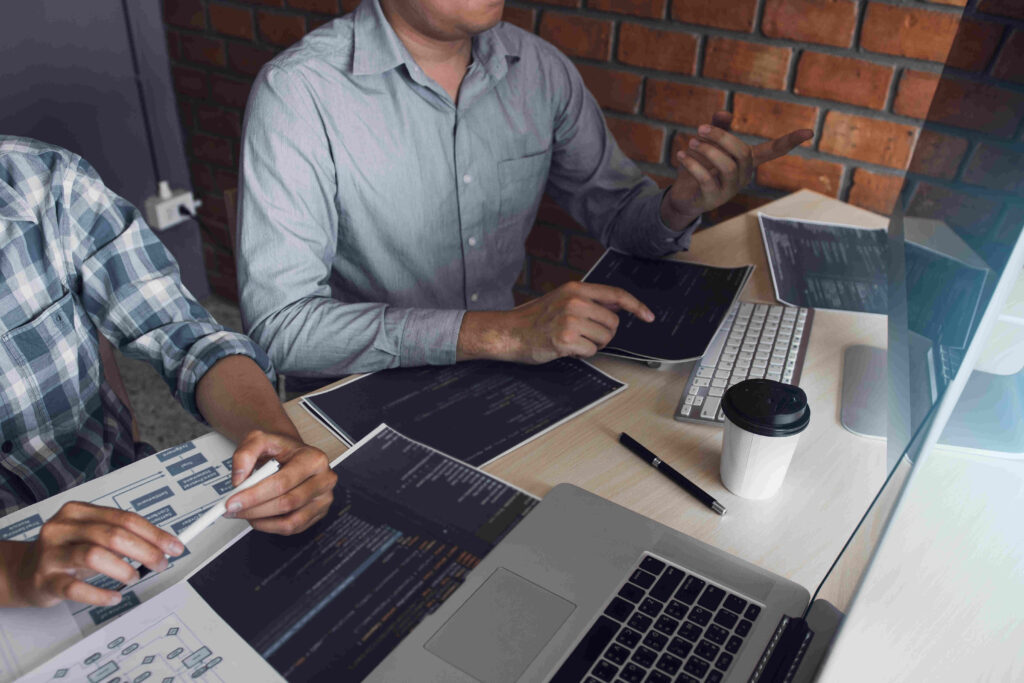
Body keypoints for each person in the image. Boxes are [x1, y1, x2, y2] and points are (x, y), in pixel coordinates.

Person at [237, 0, 812, 382]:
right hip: (361, 394)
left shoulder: (539, 69)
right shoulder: (299, 92)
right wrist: (502, 331)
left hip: (503, 369)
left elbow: (619, 215)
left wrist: (681, 203)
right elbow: (283, 329)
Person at [0, 136, 336, 609]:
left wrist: (279, 442)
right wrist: (13, 572)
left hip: (120, 501)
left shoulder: (47, 181)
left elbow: (188, 336)